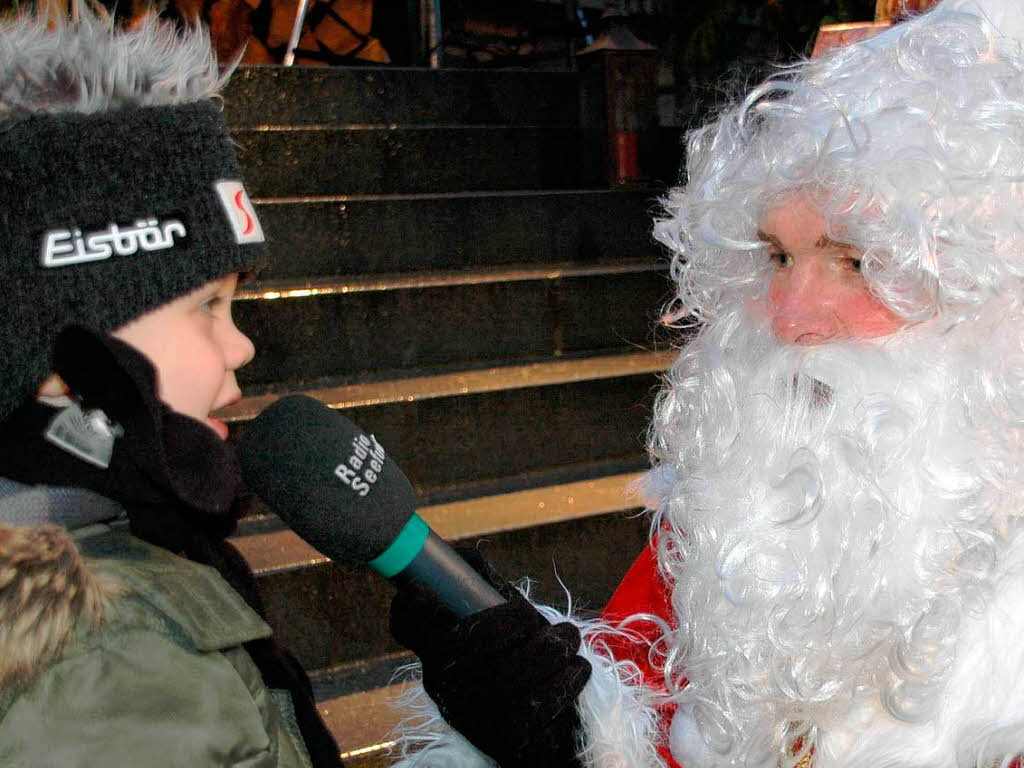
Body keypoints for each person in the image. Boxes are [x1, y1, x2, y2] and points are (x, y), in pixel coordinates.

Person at [388, 0, 1024, 765]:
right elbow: (641, 702)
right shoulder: (733, 519)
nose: (790, 315)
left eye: (859, 262)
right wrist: (567, 730)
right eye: (778, 257)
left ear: (992, 296)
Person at [0, 9, 343, 767]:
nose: (243, 343)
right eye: (207, 306)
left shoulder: (119, 550)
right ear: (68, 359)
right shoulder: (100, 660)